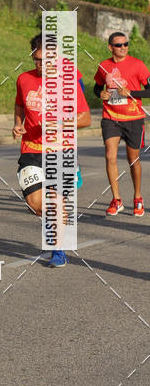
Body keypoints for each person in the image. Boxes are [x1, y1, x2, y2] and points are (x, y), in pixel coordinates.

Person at [13, 34, 91, 267]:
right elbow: (19, 103)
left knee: (55, 201)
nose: (41, 64)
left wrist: (60, 123)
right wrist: (18, 123)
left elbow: (85, 118)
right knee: (35, 203)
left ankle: (58, 249)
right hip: (32, 148)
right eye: (37, 59)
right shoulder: (23, 79)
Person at [93, 32, 150, 217]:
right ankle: (116, 200)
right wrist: (99, 94)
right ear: (110, 47)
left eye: (126, 44)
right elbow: (97, 86)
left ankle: (138, 197)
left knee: (133, 160)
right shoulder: (104, 66)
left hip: (133, 118)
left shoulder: (137, 65)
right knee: (110, 156)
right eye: (119, 45)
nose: (123, 47)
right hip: (111, 117)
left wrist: (132, 93)